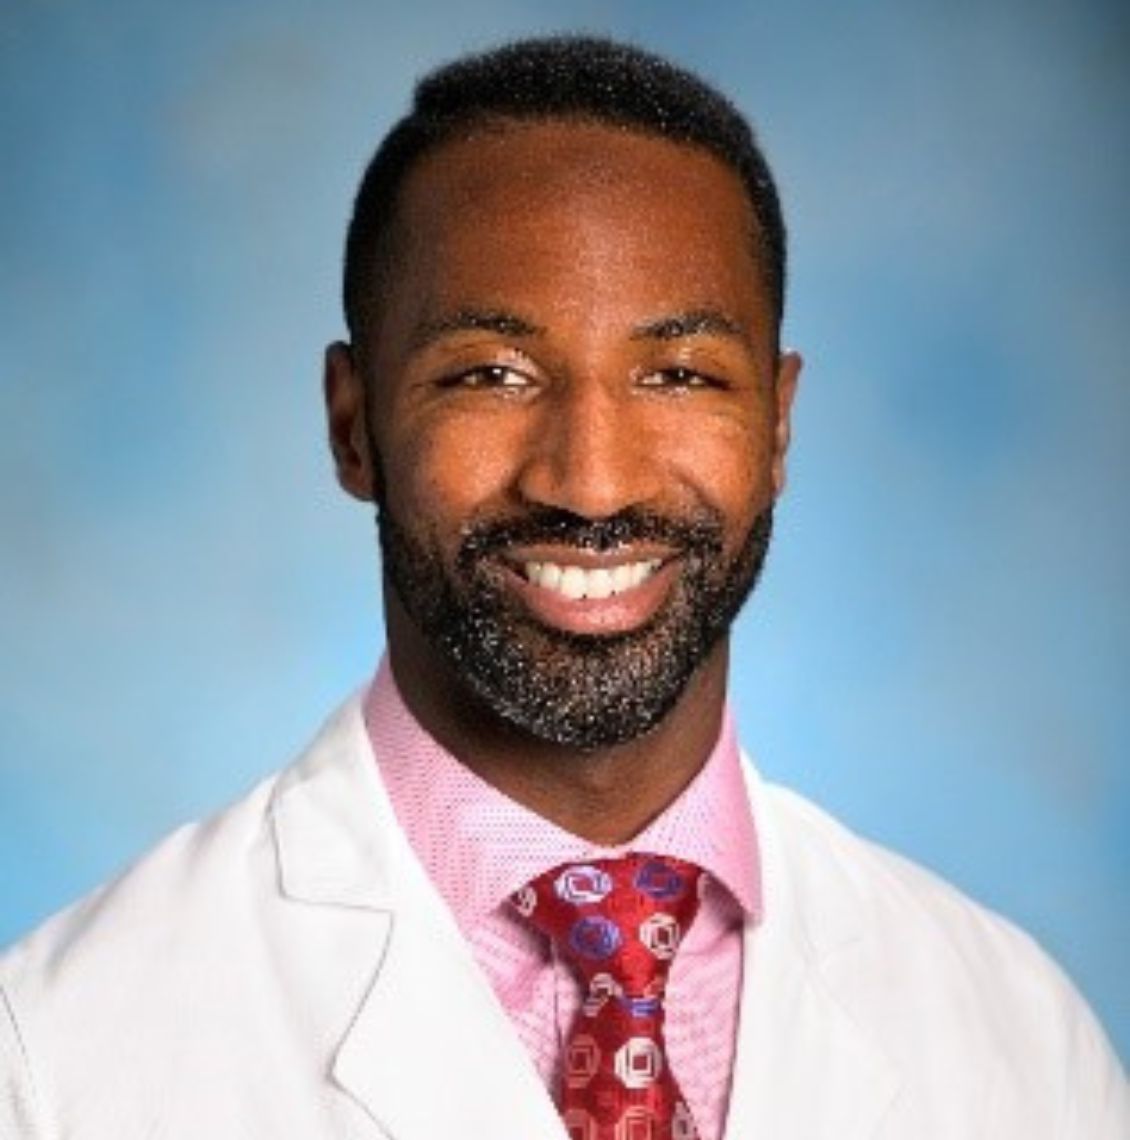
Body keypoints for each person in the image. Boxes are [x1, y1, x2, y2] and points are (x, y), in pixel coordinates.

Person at [0, 34, 1125, 1140]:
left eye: (679, 374)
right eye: (490, 374)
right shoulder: (55, 1058)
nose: (589, 483)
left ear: (776, 424)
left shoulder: (1019, 1037)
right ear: (353, 426)